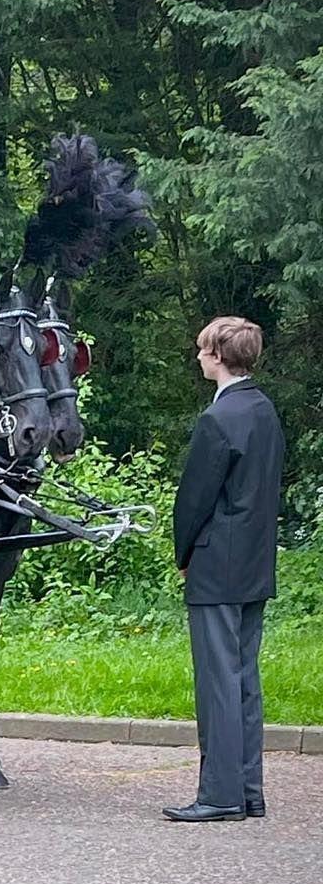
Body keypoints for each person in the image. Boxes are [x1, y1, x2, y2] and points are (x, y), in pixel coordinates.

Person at [164, 315, 285, 823]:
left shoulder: (218, 419)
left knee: (217, 683)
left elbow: (194, 500)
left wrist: (184, 555)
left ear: (218, 356)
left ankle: (219, 795)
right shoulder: (264, 411)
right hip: (255, 561)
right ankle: (248, 791)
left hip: (216, 564)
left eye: (202, 350)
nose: (197, 357)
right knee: (244, 681)